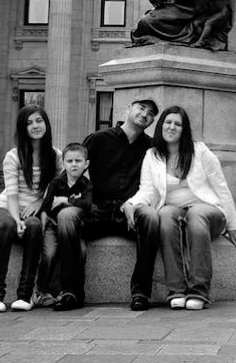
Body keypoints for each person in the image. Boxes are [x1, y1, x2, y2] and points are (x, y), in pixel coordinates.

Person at [124, 105, 236, 311]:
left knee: (196, 214)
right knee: (164, 213)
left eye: (177, 124)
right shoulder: (153, 155)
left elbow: (220, 185)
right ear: (161, 126)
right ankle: (176, 290)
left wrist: (233, 224)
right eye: (168, 122)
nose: (172, 127)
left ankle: (199, 290)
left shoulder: (200, 151)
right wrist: (131, 204)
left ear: (184, 129)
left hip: (207, 210)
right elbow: (148, 190)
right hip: (176, 212)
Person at [45, 98, 160, 311]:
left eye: (151, 113)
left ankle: (141, 292)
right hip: (95, 210)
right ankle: (71, 291)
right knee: (67, 217)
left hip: (128, 213)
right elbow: (73, 175)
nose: (145, 114)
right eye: (141, 108)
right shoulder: (98, 139)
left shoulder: (151, 148)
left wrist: (133, 204)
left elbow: (153, 185)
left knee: (152, 218)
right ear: (128, 108)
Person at [0, 104, 61, 313]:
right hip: (4, 210)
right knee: (8, 225)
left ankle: (24, 295)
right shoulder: (14, 156)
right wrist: (17, 219)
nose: (35, 126)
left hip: (32, 214)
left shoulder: (55, 156)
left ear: (46, 124)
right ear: (22, 128)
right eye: (29, 123)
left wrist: (38, 203)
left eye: (39, 120)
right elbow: (12, 193)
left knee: (35, 225)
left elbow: (54, 188)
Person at [37, 142, 92, 311]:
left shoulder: (86, 184)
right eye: (69, 161)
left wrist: (65, 200)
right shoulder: (56, 183)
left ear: (86, 164)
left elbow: (87, 205)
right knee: (50, 253)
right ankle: (41, 291)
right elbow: (46, 206)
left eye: (78, 161)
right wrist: (44, 221)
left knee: (81, 251)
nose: (74, 164)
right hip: (53, 227)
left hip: (73, 230)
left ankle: (71, 291)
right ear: (63, 163)